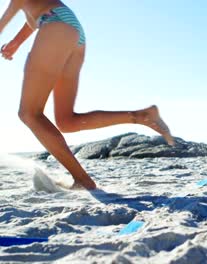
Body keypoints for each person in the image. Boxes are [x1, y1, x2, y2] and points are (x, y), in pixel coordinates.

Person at [0, 0, 174, 190]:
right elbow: (33, 15)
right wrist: (16, 42)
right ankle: (140, 116)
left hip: (56, 25)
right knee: (67, 122)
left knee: (29, 114)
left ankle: (83, 180)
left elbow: (8, 17)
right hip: (69, 28)